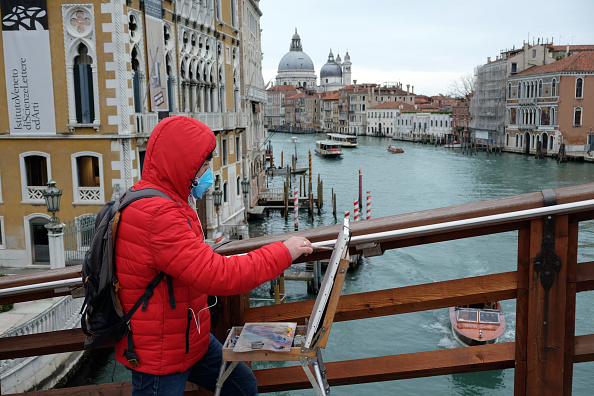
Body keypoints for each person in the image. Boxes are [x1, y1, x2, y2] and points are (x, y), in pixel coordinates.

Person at [114, 116, 313, 395]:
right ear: (183, 164)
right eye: (204, 164)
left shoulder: (164, 200)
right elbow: (219, 275)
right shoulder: (158, 215)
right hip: (161, 352)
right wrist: (284, 251)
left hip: (188, 339)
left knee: (241, 386)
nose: (208, 171)